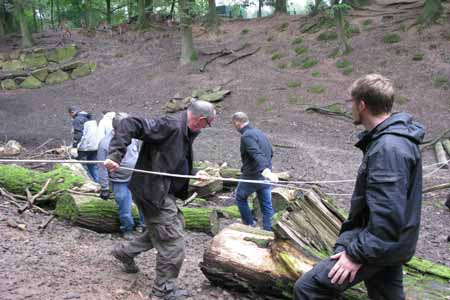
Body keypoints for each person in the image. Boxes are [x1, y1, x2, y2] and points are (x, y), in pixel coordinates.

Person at [293, 74, 425, 300]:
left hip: (381, 244)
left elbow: (388, 215)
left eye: (350, 102)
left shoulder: (388, 148)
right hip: (389, 245)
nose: (350, 107)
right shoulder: (391, 140)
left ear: (361, 105)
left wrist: (355, 254)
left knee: (308, 288)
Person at [104, 100, 215, 300]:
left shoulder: (186, 132)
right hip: (152, 192)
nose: (206, 128)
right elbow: (130, 124)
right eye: (208, 124)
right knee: (172, 242)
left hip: (159, 191)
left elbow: (173, 161)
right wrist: (115, 155)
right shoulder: (170, 125)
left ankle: (125, 252)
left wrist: (194, 173)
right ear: (201, 119)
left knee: (164, 230)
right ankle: (163, 291)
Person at [97, 112, 146, 240]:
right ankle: (127, 229)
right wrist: (104, 187)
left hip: (136, 177)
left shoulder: (134, 138)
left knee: (144, 203)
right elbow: (101, 167)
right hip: (119, 181)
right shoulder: (105, 143)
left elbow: (139, 155)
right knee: (125, 207)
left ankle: (145, 226)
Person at [232, 112, 277, 231]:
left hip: (253, 175)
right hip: (264, 176)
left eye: (234, 124)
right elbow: (271, 152)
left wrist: (265, 170)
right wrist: (268, 169)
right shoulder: (259, 132)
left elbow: (255, 152)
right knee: (267, 206)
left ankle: (249, 226)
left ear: (237, 123)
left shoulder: (246, 135)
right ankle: (269, 231)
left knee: (240, 198)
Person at [68, 106, 101, 182]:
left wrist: (74, 147)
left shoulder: (77, 120)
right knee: (92, 165)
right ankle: (99, 184)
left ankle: (79, 181)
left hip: (86, 146)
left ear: (72, 112)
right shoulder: (90, 118)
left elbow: (78, 134)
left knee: (74, 162)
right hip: (95, 145)